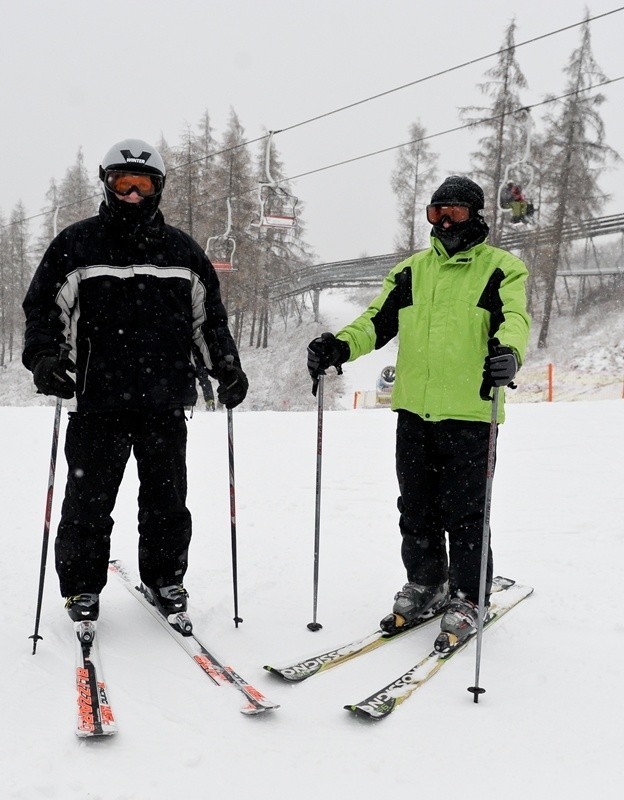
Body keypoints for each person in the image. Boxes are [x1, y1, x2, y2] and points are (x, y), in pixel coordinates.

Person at [22, 138, 248, 624]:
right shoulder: (77, 245)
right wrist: (44, 358)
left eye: (141, 184)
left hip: (164, 402)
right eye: (121, 183)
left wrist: (225, 365)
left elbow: (208, 320)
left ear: (158, 188)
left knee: (167, 502)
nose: (131, 194)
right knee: (88, 501)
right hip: (96, 403)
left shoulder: (182, 251)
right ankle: (82, 587)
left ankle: (166, 579)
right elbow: (44, 310)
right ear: (106, 185)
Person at [307, 175, 530, 651]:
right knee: (416, 506)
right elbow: (377, 321)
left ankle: (469, 594)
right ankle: (428, 581)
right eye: (436, 213)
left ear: (477, 217)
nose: (445, 222)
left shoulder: (500, 269)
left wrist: (509, 352)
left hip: (471, 413)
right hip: (414, 411)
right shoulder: (412, 272)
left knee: (468, 513)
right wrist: (340, 346)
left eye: (455, 213)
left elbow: (516, 319)